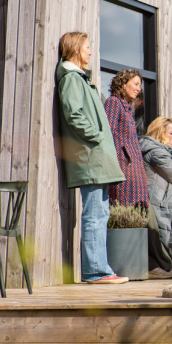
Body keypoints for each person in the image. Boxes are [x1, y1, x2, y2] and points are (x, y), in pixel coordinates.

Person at [55, 31, 128, 284]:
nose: (89, 52)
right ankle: (97, 271)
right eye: (87, 47)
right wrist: (96, 135)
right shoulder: (72, 79)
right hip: (89, 156)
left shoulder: (80, 79)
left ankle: (100, 269)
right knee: (95, 214)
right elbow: (73, 114)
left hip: (95, 157)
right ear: (75, 49)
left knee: (99, 213)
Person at [139, 117, 172, 278]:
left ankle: (167, 265)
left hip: (163, 200)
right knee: (162, 236)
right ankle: (160, 266)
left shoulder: (161, 151)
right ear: (159, 132)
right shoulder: (157, 152)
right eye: (171, 133)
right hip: (159, 202)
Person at [103, 69, 150, 209]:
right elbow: (107, 135)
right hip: (122, 168)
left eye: (140, 86)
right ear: (123, 84)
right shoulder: (113, 102)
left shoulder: (126, 107)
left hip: (132, 168)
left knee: (137, 209)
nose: (138, 89)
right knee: (124, 208)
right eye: (135, 84)